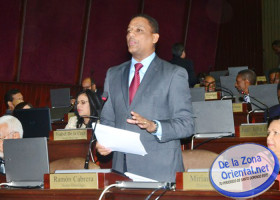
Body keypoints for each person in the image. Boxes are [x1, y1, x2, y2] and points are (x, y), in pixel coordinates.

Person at [96, 14, 194, 182]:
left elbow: (187, 125)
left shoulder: (173, 74)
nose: (131, 35)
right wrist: (104, 143)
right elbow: (108, 120)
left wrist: (154, 126)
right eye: (128, 31)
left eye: (138, 30)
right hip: (121, 172)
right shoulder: (113, 74)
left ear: (154, 37)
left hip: (159, 171)